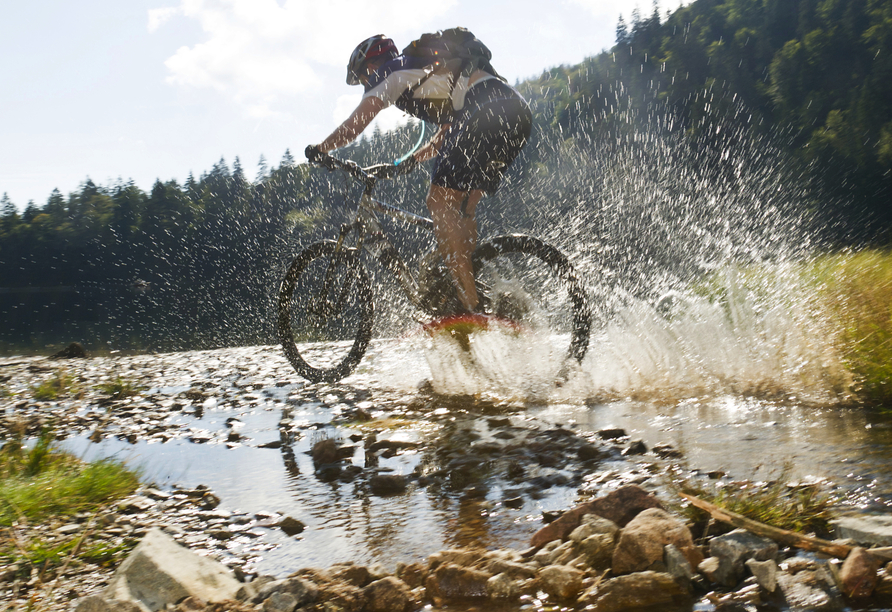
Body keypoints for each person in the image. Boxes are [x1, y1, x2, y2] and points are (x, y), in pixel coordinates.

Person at [306, 33, 532, 314]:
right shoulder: (425, 73)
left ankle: (469, 303)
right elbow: (445, 135)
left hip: (483, 111)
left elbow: (354, 126)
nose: (366, 85)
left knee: (438, 201)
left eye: (363, 77)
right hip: (515, 114)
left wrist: (321, 149)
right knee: (463, 209)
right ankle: (488, 300)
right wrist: (410, 161)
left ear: (370, 66)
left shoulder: (390, 71)